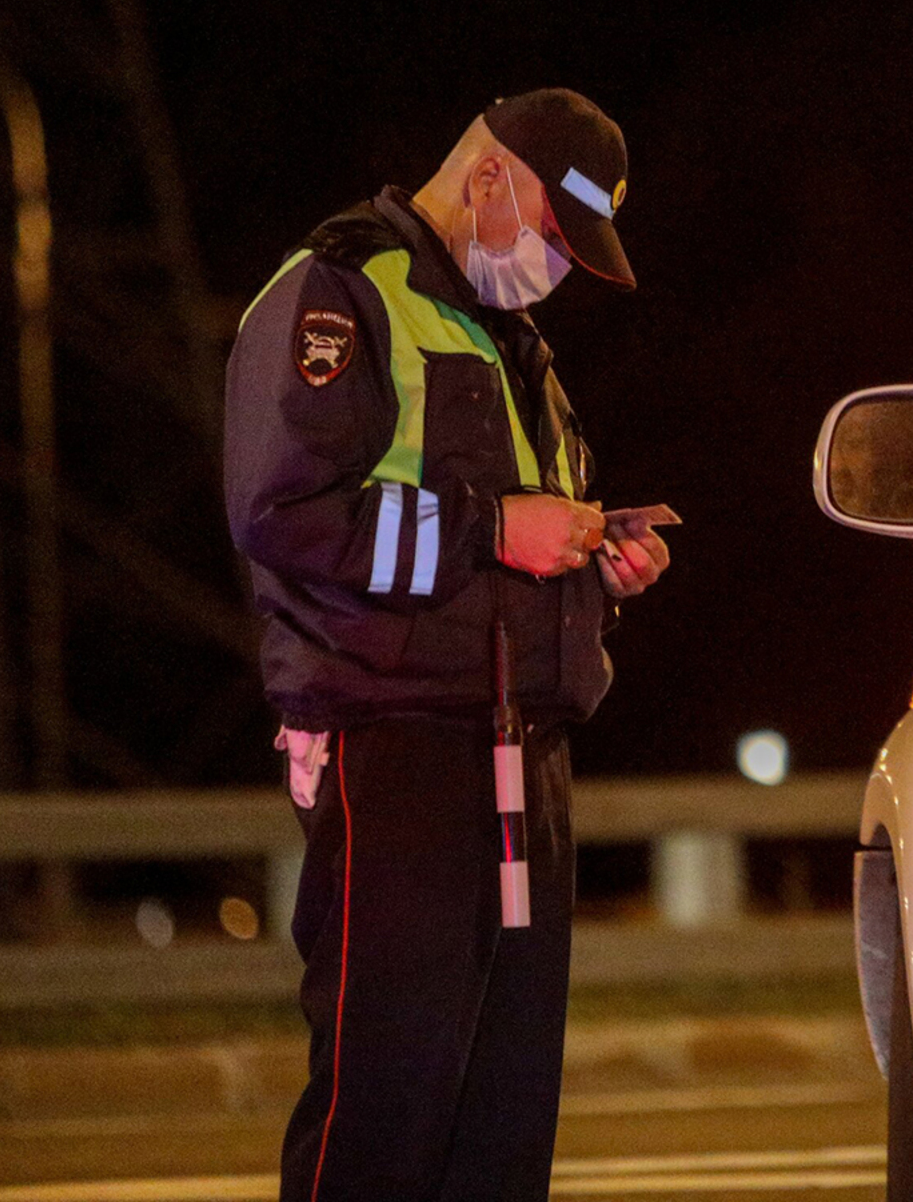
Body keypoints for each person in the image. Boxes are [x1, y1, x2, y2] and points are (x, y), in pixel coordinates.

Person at [223, 88, 670, 1202]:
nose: (554, 268)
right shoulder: (338, 292)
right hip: (398, 745)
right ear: (485, 180)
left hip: (522, 756)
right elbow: (283, 512)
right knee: (384, 1105)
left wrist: (591, 563)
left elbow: (503, 544)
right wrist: (493, 528)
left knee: (500, 1116)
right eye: (555, 237)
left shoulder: (508, 335)